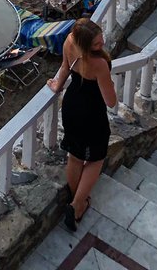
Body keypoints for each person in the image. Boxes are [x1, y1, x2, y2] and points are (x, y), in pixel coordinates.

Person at [46, 17, 117, 232]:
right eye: (96, 44)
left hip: (71, 105)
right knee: (96, 158)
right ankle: (77, 205)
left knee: (75, 156)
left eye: (101, 40)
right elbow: (111, 101)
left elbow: (65, 67)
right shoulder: (99, 64)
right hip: (91, 113)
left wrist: (56, 85)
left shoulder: (69, 42)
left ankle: (75, 196)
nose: (101, 45)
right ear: (86, 44)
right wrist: (110, 83)